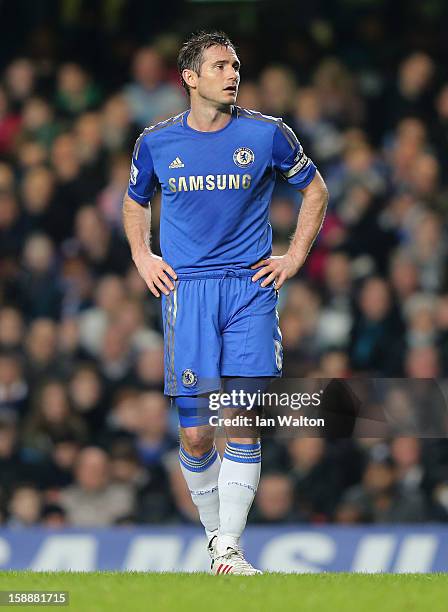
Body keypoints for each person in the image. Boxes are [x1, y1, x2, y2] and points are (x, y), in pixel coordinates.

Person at [123, 31, 328, 575]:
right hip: (186, 291)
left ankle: (229, 549)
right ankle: (219, 538)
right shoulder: (156, 143)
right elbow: (134, 199)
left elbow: (315, 189)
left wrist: (294, 256)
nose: (232, 73)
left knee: (241, 415)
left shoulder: (266, 135)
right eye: (219, 66)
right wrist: (143, 256)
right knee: (195, 432)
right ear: (190, 78)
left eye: (235, 65)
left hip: (248, 288)